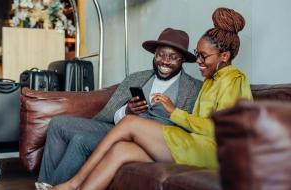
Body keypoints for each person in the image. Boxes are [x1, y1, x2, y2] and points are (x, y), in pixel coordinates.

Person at [50, 7, 253, 190]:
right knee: (120, 150)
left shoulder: (234, 79)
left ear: (224, 56)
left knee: (130, 123)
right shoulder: (212, 79)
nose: (198, 61)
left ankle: (73, 184)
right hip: (195, 144)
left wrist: (174, 112)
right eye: (197, 54)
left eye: (203, 56)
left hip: (215, 153)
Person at [36, 28, 202, 188]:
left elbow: (188, 130)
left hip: (149, 140)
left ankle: (55, 186)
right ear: (154, 55)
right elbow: (110, 114)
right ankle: (46, 185)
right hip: (116, 129)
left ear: (182, 60)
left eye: (173, 57)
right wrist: (127, 110)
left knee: (81, 140)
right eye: (161, 55)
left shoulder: (192, 88)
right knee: (58, 123)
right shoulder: (137, 78)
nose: (165, 61)